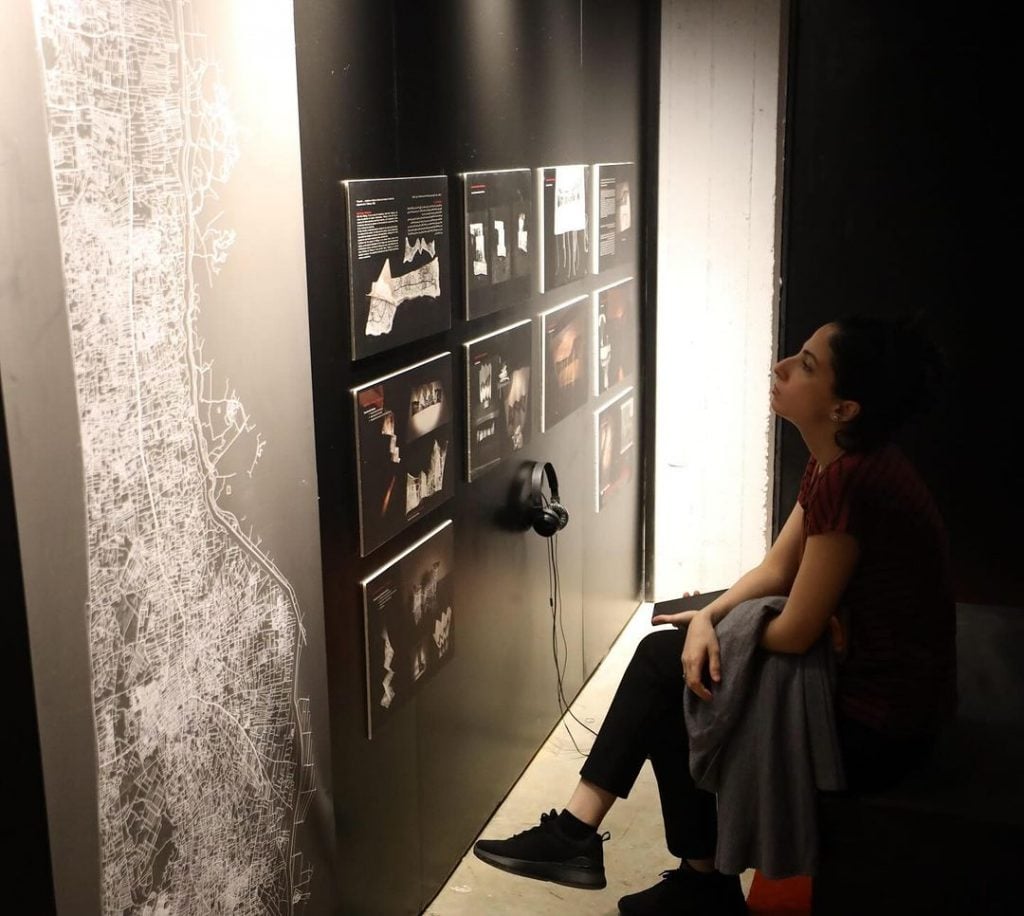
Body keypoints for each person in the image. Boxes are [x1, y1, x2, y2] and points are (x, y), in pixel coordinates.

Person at [472, 315, 956, 915]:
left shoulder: (853, 479)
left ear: (844, 408)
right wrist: (707, 617)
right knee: (677, 660)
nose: (780, 367)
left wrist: (716, 630)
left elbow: (798, 628)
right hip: (865, 688)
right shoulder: (837, 461)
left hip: (875, 726)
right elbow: (778, 571)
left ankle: (631, 855)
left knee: (671, 670)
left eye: (806, 365)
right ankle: (629, 854)